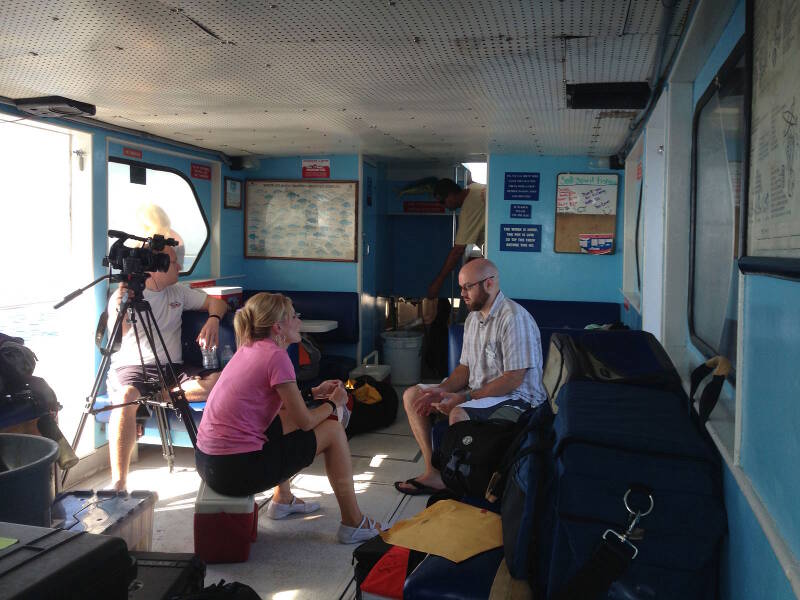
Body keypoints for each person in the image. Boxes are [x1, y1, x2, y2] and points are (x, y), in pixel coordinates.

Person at [195, 292, 386, 544]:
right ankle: (353, 522)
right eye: (294, 316)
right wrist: (333, 403)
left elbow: (274, 402)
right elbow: (307, 422)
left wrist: (313, 392)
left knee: (284, 417)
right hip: (235, 471)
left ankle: (282, 499)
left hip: (209, 464)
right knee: (333, 431)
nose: (299, 321)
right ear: (278, 327)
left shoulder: (249, 346)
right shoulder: (276, 356)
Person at [395, 258, 546, 496]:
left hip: (518, 399)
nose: (462, 294)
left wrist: (463, 397)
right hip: (481, 394)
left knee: (459, 412)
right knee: (413, 395)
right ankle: (434, 472)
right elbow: (464, 369)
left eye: (467, 287)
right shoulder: (474, 318)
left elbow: (513, 379)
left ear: (488, 284)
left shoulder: (514, 318)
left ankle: (463, 482)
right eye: (461, 287)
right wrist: (442, 390)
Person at [106, 226, 228, 492]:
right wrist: (120, 307)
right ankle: (119, 481)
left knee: (221, 380)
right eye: (172, 262)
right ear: (155, 266)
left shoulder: (178, 292)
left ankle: (158, 395)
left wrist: (213, 320)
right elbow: (117, 340)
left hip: (171, 368)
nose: (178, 266)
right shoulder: (126, 295)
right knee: (125, 395)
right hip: (132, 367)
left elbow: (218, 303)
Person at [426, 178, 487, 299]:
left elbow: (458, 251)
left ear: (451, 195)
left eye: (443, 202)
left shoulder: (469, 209)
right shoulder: (475, 188)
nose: (443, 206)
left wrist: (438, 282)